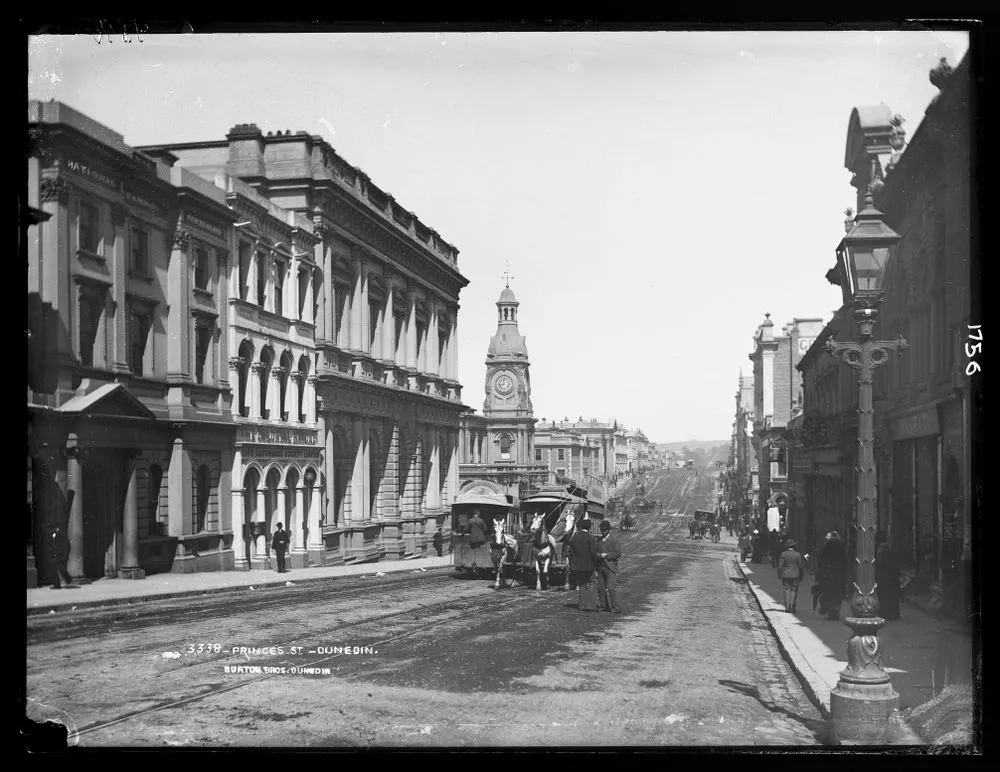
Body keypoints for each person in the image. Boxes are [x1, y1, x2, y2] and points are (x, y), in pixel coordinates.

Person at [568, 519, 601, 612]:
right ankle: (591, 606)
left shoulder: (575, 536)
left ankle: (582, 605)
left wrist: (572, 563)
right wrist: (597, 565)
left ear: (581, 526)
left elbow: (570, 551)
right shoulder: (590, 538)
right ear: (589, 527)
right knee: (591, 584)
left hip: (577, 566)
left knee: (582, 584)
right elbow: (593, 553)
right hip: (589, 566)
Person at [815, 531, 847, 620]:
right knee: (837, 594)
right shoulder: (841, 547)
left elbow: (821, 559)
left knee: (827, 593)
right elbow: (844, 562)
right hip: (838, 575)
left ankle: (826, 608)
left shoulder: (827, 547)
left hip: (828, 575)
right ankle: (834, 610)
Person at [596, 520, 623, 613]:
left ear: (608, 530)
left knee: (610, 588)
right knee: (600, 588)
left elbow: (618, 553)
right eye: (601, 530)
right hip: (600, 567)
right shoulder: (598, 540)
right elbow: (596, 551)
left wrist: (606, 555)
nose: (602, 532)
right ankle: (603, 606)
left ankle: (616, 607)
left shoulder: (614, 540)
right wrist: (597, 555)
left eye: (604, 530)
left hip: (610, 567)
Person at [874, 530, 902, 621]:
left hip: (885, 577)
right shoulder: (889, 549)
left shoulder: (881, 550)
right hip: (890, 577)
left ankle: (886, 613)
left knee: (885, 595)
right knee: (891, 595)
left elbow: (880, 565)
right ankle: (892, 613)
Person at [777, 537, 805, 613]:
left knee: (786, 590)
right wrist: (801, 575)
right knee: (794, 591)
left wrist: (779, 574)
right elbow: (800, 566)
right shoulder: (797, 554)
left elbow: (780, 566)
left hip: (785, 575)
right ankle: (792, 607)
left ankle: (787, 608)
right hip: (795, 575)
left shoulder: (783, 554)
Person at [49, 525, 73, 589]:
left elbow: (66, 546)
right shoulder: (55, 534)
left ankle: (66, 581)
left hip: (60, 556)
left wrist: (64, 556)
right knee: (58, 569)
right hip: (58, 555)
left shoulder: (60, 535)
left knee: (59, 569)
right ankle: (64, 581)